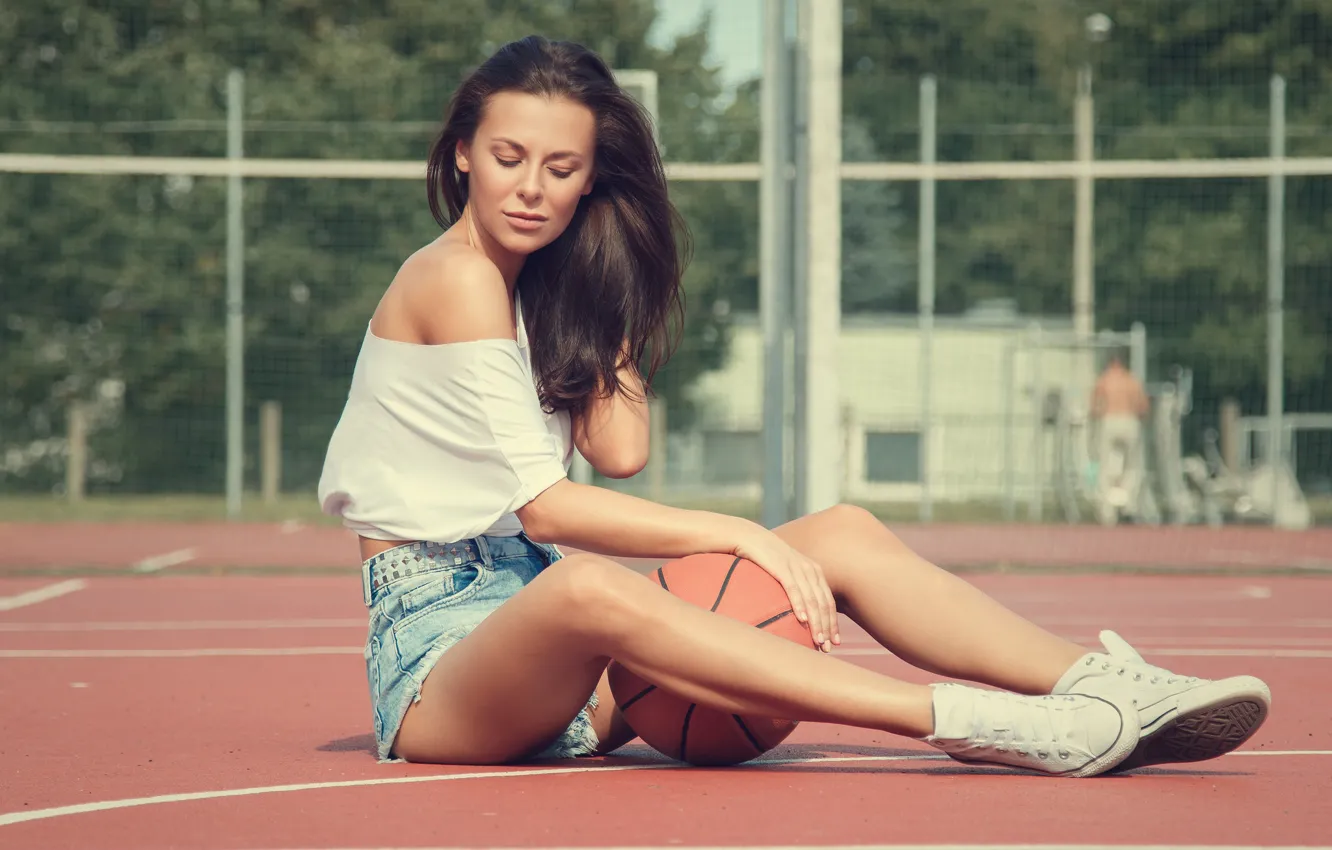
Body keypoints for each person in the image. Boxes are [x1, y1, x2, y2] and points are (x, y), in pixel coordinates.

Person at [317, 36, 1270, 778]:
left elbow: (622, 447)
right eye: (508, 157)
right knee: (587, 579)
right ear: (462, 154)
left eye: (561, 169)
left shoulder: (538, 291)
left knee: (844, 532)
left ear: (591, 181)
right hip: (442, 665)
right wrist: (740, 535)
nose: (531, 187)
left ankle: (1106, 688)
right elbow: (548, 509)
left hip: (555, 648)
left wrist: (597, 292)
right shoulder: (452, 279)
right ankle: (980, 722)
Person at [1090, 350, 1151, 525]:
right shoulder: (1131, 380)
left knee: (1104, 466)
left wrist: (1098, 417)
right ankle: (1129, 505)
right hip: (1129, 421)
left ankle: (1107, 512)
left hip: (1109, 420)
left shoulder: (1104, 379)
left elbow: (1094, 406)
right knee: (1133, 466)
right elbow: (1143, 407)